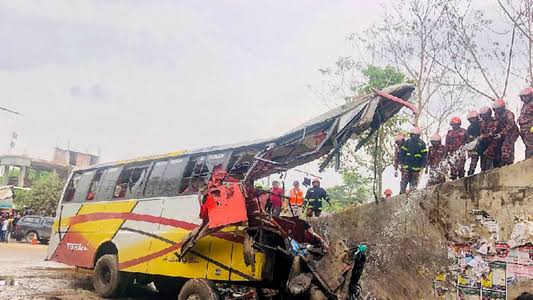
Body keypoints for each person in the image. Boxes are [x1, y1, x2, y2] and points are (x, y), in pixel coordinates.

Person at [399, 127, 428, 194]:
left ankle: (412, 193)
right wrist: (401, 163)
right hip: (407, 166)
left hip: (416, 167)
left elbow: (424, 155)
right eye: (413, 135)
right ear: (411, 135)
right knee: (404, 181)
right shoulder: (407, 142)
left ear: (418, 135)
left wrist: (423, 165)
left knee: (414, 182)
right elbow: (402, 153)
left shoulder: (422, 143)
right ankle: (402, 193)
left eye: (416, 135)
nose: (414, 136)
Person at [492, 99, 519, 167]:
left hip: (511, 133)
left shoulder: (508, 114)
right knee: (498, 148)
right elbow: (495, 125)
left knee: (507, 147)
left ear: (502, 108)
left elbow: (510, 126)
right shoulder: (496, 115)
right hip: (502, 133)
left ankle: (509, 164)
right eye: (495, 109)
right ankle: (500, 164)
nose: (497, 111)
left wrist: (501, 134)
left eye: (498, 109)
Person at [479, 106, 499, 171]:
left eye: (484, 115)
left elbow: (493, 133)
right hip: (486, 142)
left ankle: (490, 170)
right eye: (481, 115)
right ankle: (483, 170)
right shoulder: (482, 123)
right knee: (482, 154)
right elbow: (481, 132)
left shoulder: (494, 121)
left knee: (488, 153)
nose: (483, 117)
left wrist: (483, 136)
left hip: (494, 141)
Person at [518, 87, 533, 159]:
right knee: (528, 146)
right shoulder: (525, 105)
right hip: (525, 130)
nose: (524, 98)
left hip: (531, 129)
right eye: (523, 96)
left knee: (531, 147)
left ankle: (529, 161)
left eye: (526, 96)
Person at [466, 110, 482, 176]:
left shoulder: (482, 124)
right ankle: (470, 173)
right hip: (474, 145)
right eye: (471, 119)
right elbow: (469, 138)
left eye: (473, 118)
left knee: (485, 159)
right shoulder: (470, 128)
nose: (472, 120)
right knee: (473, 160)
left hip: (483, 144)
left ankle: (484, 171)